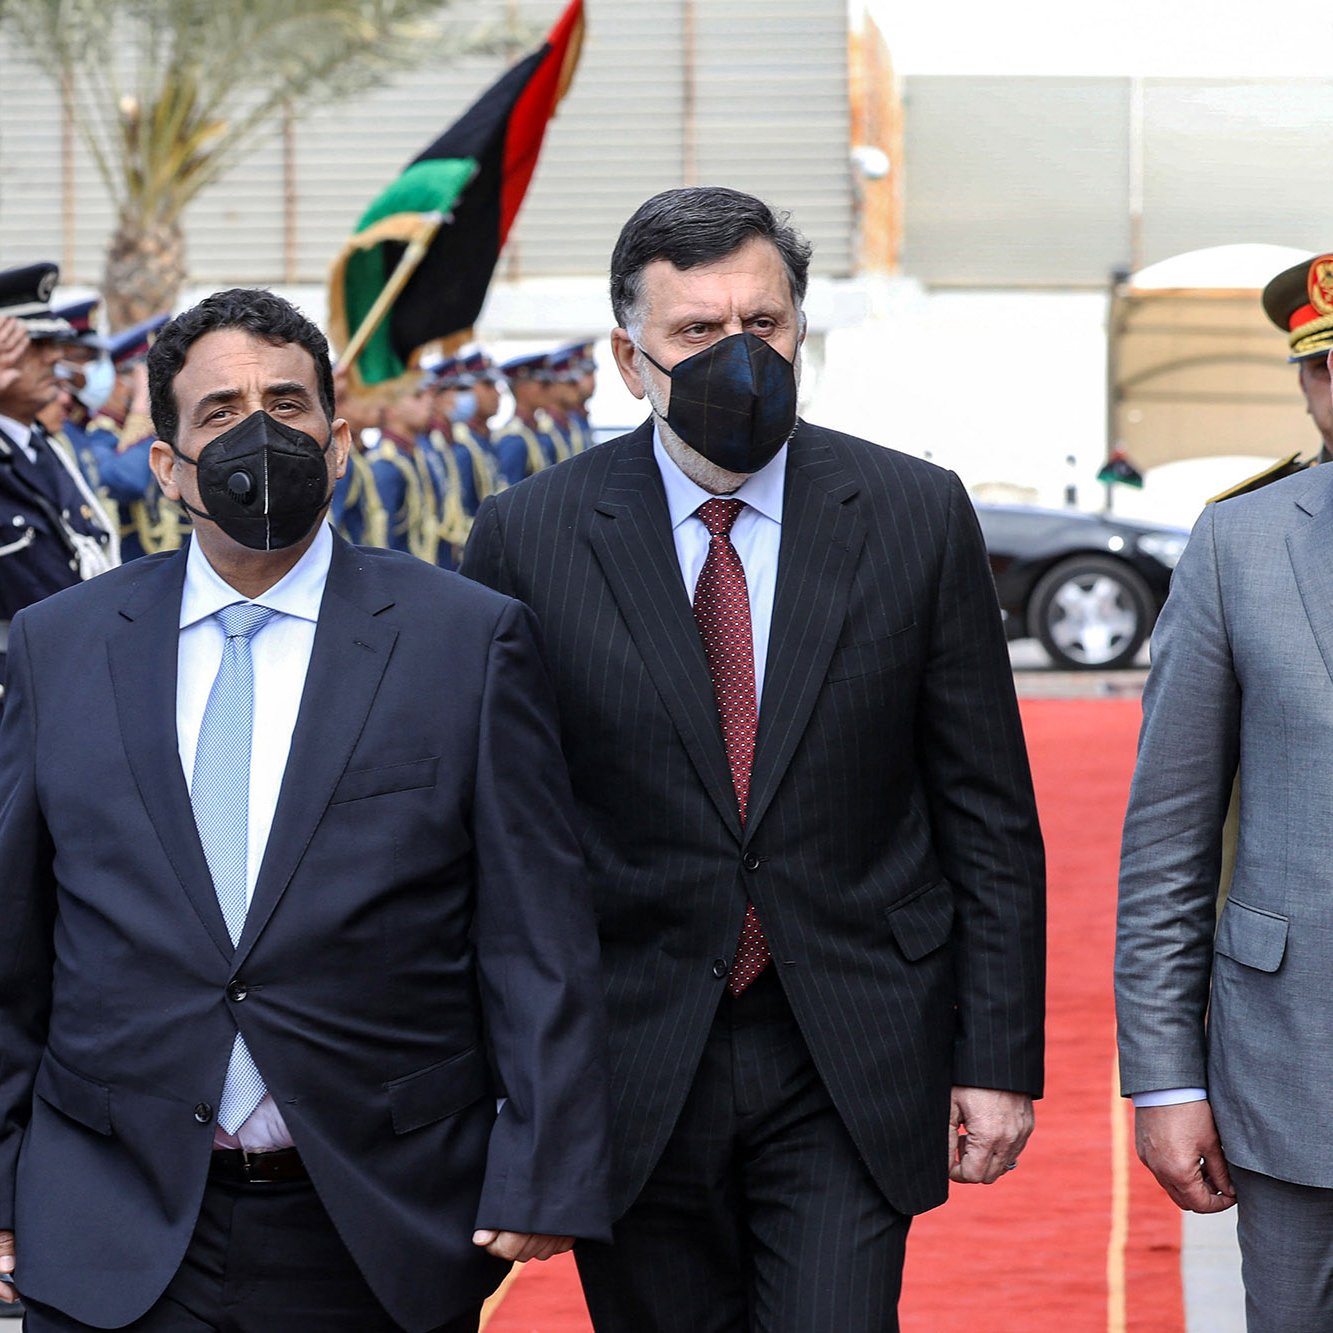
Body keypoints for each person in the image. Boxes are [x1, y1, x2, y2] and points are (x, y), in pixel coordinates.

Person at [461, 186, 1046, 1333]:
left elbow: (985, 806)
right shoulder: (528, 534)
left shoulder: (912, 512)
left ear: (799, 329)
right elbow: (492, 833)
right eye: (695, 333)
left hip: (849, 1043)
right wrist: (504, 1085)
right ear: (629, 361)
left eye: (763, 325)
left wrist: (996, 1053)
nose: (740, 356)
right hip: (628, 1056)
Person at [0, 287, 611, 1332]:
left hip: (373, 1215)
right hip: (108, 1210)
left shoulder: (464, 638)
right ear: (166, 461)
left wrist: (543, 1156)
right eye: (221, 413)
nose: (259, 436)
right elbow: (15, 936)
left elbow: (532, 928)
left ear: (336, 446)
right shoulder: (59, 645)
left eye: (287, 407)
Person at [1116, 257, 1333, 1332]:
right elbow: (1168, 840)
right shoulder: (1238, 545)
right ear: (1306, 385)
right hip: (1296, 1075)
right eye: (1329, 367)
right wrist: (1163, 1079)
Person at [0, 263, 117, 692]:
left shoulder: (45, 448)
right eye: (36, 343)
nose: (54, 356)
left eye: (54, 342)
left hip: (66, 683)